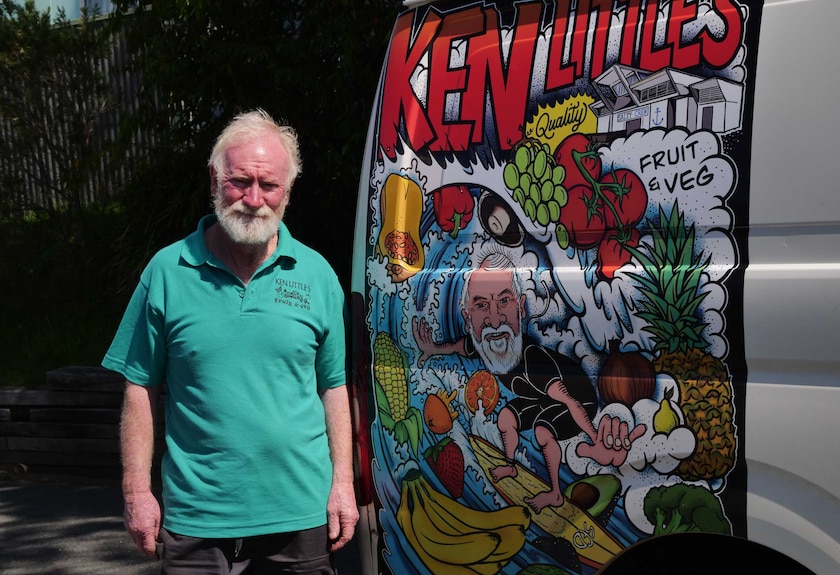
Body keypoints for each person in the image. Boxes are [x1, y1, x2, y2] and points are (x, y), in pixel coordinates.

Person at [102, 109, 358, 574]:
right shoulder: (166, 272)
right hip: (198, 519)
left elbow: (333, 387)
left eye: (269, 185)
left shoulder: (318, 275)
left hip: (300, 513)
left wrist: (343, 484)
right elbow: (139, 386)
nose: (254, 199)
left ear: (288, 192)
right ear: (214, 179)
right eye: (240, 181)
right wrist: (137, 492)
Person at [413, 245, 645, 513]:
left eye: (504, 301)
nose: (495, 319)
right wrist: (432, 350)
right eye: (480, 305)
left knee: (543, 430)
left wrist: (593, 437)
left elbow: (569, 400)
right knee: (506, 419)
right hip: (541, 399)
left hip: (578, 399)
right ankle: (511, 466)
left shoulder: (534, 360)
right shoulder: (486, 339)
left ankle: (556, 493)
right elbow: (459, 347)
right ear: (468, 318)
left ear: (521, 307)